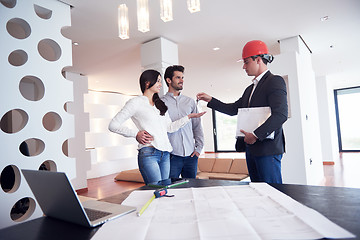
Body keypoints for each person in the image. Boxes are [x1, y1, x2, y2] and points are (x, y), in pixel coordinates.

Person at [197, 40, 288, 184]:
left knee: (273, 192)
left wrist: (256, 135)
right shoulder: (249, 89)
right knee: (257, 191)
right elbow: (233, 109)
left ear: (258, 60)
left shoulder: (274, 81)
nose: (243, 66)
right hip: (251, 150)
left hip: (267, 150)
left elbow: (281, 114)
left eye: (246, 62)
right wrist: (210, 100)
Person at [109, 69, 205, 185]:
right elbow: (113, 125)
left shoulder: (159, 104)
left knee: (165, 191)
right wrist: (136, 134)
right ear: (147, 83)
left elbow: (169, 127)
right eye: (158, 81)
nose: (160, 84)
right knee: (156, 189)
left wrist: (188, 117)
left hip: (165, 154)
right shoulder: (136, 102)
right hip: (149, 153)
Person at [161, 65, 204, 179]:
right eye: (178, 77)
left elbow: (197, 126)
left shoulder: (190, 102)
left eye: (182, 77)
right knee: (171, 189)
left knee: (192, 189)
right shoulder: (160, 103)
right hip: (171, 156)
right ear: (169, 80)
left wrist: (198, 149)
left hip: (191, 156)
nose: (182, 81)